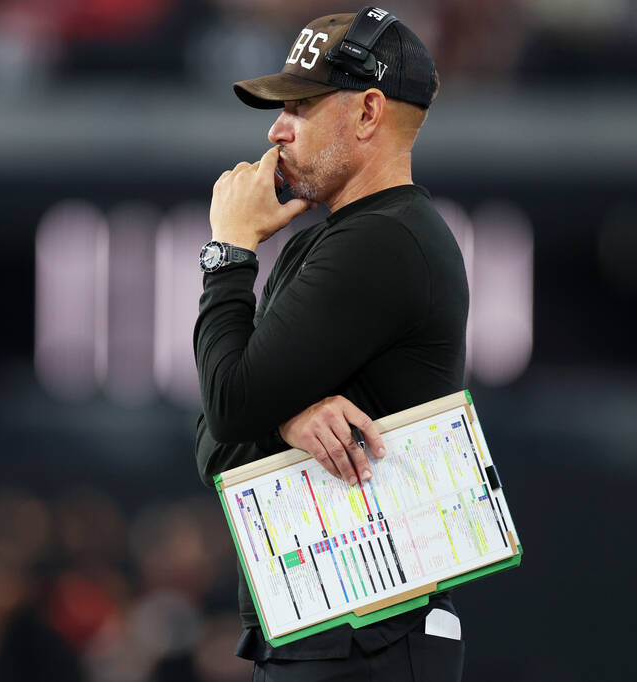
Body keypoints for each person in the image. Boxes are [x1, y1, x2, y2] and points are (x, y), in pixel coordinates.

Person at [193, 7, 469, 681]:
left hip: (372, 633)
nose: (275, 129)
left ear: (369, 112)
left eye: (301, 105)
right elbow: (213, 440)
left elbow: (228, 407)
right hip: (329, 631)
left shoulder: (384, 240)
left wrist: (228, 251)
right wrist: (286, 417)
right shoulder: (327, 240)